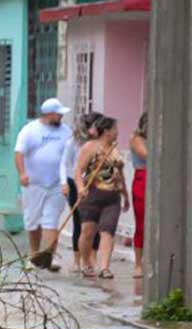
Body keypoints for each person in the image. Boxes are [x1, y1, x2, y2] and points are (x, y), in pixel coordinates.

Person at [14, 97, 72, 271]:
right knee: (32, 220)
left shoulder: (66, 131)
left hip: (56, 183)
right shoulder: (30, 130)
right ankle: (33, 254)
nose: (61, 116)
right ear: (49, 114)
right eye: (58, 114)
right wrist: (22, 173)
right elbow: (19, 153)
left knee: (51, 220)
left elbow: (71, 154)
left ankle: (49, 257)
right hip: (34, 184)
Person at [75, 115, 129, 279]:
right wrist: (80, 188)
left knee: (108, 231)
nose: (117, 132)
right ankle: (86, 263)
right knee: (88, 231)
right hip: (91, 194)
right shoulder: (90, 147)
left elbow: (119, 174)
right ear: (106, 131)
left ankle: (104, 267)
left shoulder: (115, 149)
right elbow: (78, 171)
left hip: (112, 197)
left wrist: (125, 195)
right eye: (115, 129)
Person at [59, 111, 102, 272]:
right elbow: (64, 163)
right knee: (79, 222)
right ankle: (77, 261)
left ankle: (93, 258)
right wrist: (64, 183)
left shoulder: (101, 143)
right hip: (75, 184)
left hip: (95, 184)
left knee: (95, 222)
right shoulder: (73, 142)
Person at [129, 112, 149, 279]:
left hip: (159, 178)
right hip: (143, 178)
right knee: (141, 224)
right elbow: (147, 155)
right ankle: (138, 264)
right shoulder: (136, 138)